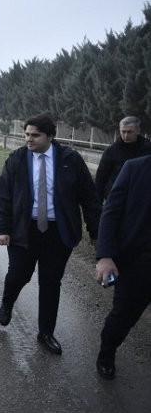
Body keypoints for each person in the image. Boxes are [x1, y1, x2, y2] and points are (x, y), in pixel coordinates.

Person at [0, 114, 101, 355]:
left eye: (34, 135)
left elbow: (89, 198)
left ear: (50, 137)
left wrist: (95, 232)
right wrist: (2, 229)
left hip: (57, 232)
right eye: (26, 135)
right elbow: (3, 197)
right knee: (19, 275)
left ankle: (46, 333)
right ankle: (8, 302)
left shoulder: (69, 160)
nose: (28, 139)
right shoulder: (18, 159)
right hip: (25, 230)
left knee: (51, 283)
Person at [94, 155, 151, 379]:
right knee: (123, 317)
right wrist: (105, 256)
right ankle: (106, 354)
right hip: (139, 261)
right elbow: (111, 212)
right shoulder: (135, 168)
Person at [94, 116, 151, 202]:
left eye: (129, 132)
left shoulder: (147, 149)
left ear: (138, 131)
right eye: (123, 132)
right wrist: (98, 202)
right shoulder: (111, 151)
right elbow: (101, 177)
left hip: (142, 197)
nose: (126, 135)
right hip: (116, 197)